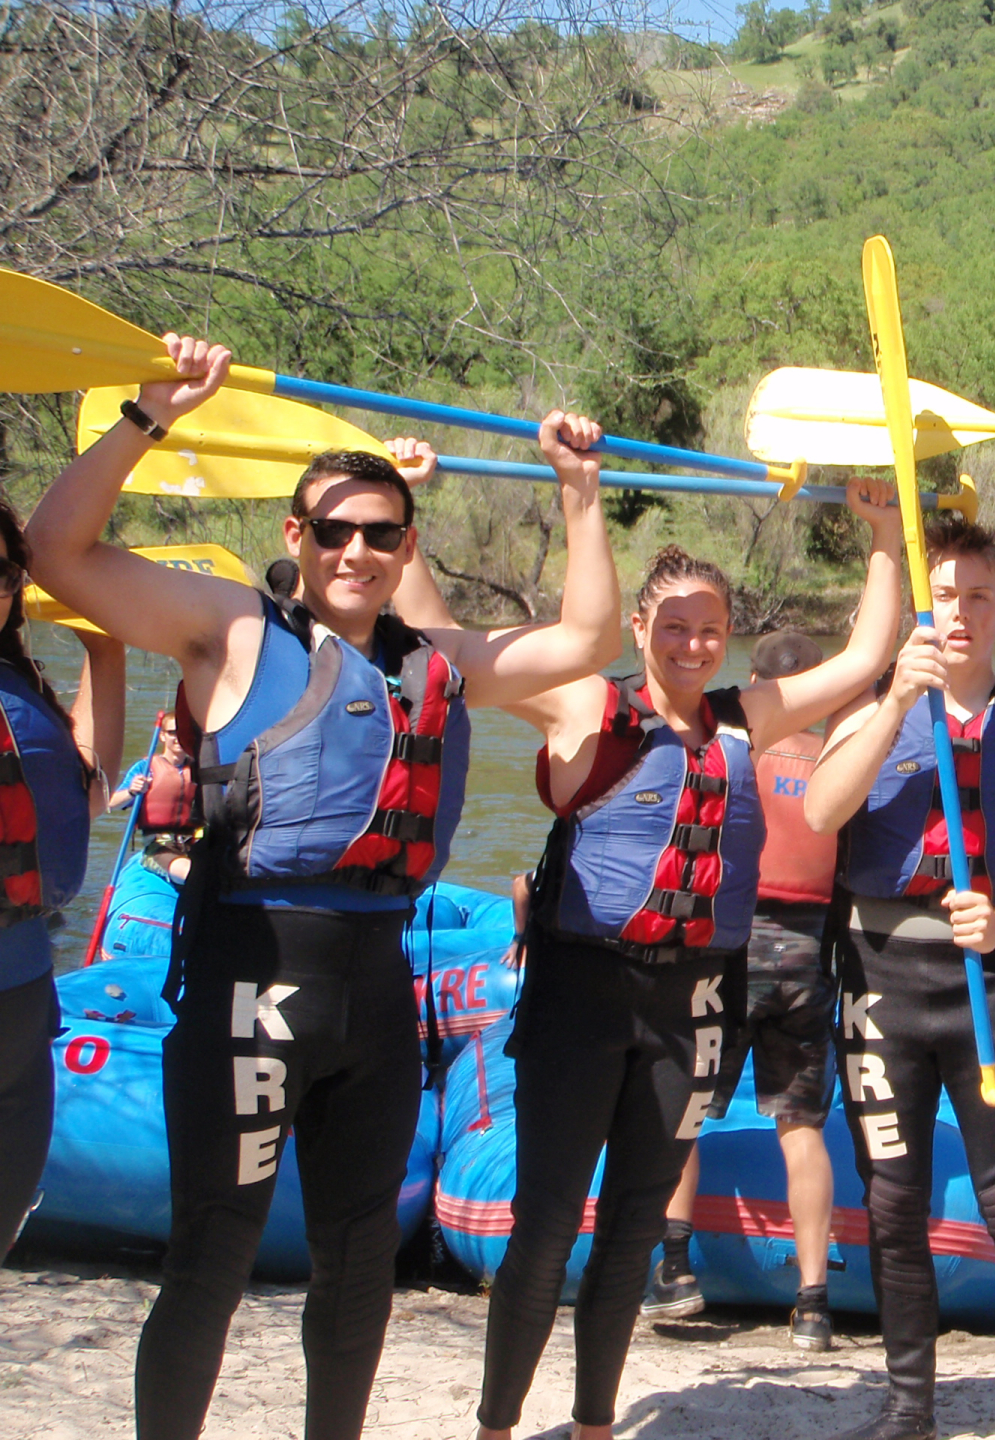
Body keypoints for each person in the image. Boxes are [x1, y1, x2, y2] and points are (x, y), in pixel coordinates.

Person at [25, 332, 625, 1440]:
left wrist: (580, 494)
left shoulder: (437, 662)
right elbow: (58, 552)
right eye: (335, 531)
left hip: (375, 1003)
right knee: (212, 1252)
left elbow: (587, 636)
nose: (357, 551)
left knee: (358, 1266)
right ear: (295, 536)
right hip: (251, 986)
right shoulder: (229, 629)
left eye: (381, 534)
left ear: (406, 548)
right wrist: (148, 416)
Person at [389, 497, 902, 1440]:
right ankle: (496, 1426)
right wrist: (413, 534)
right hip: (584, 992)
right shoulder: (587, 700)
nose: (694, 646)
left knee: (631, 1230)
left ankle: (593, 1425)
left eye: (710, 631)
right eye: (675, 627)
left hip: (694, 1000)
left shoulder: (748, 716)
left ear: (728, 636)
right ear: (640, 627)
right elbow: (445, 650)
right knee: (546, 1225)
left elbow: (867, 657)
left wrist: (883, 535)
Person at [805, 512, 995, 1440]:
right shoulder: (866, 713)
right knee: (893, 1206)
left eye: (980, 597)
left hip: (988, 985)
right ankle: (909, 1408)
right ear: (920, 610)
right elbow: (819, 810)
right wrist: (897, 702)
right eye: (945, 596)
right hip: (883, 983)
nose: (963, 613)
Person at [646, 629, 843, 1352]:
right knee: (802, 1129)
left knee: (686, 1109)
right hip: (808, 955)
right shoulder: (839, 764)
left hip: (729, 950)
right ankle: (813, 1303)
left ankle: (673, 1266)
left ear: (761, 686)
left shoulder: (733, 755)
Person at [0, 503, 122, 1256]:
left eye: (5, 573)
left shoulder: (18, 681)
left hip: (18, 1005)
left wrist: (102, 655)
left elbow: (87, 792)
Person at [109, 710, 197, 880]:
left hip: (193, 841)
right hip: (158, 845)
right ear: (162, 736)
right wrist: (131, 791)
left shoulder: (198, 769)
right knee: (191, 873)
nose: (178, 737)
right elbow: (111, 803)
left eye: (182, 732)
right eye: (172, 732)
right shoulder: (145, 767)